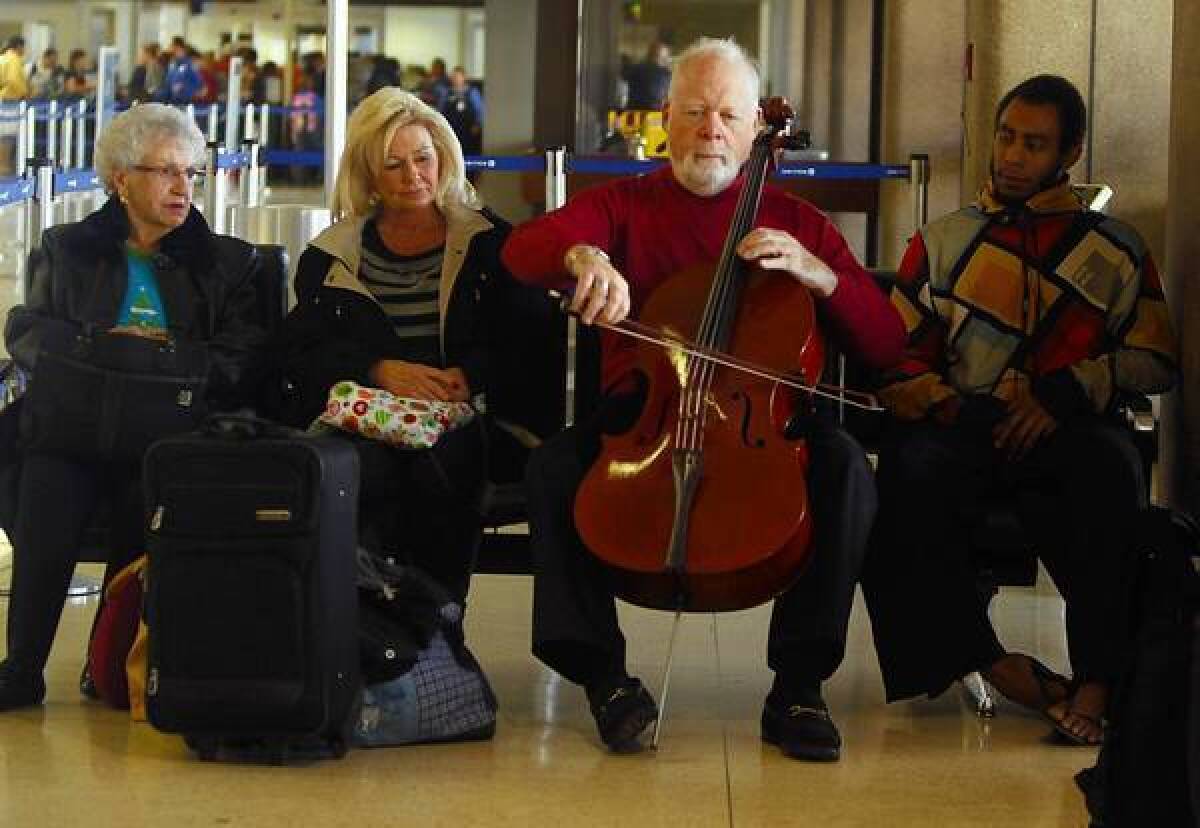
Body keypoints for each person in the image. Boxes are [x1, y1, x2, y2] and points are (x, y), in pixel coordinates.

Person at [500, 38, 905, 759]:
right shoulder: (624, 206)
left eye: (727, 114)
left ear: (755, 129)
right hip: (646, 407)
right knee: (552, 470)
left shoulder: (801, 224)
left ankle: (799, 688)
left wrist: (819, 274)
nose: (710, 129)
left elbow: (884, 347)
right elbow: (523, 250)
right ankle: (604, 680)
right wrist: (584, 255)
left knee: (846, 472)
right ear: (665, 119)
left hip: (765, 418)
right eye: (693, 111)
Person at [860, 75, 1178, 746]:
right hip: (962, 430)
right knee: (902, 477)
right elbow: (896, 362)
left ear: (1070, 152)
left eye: (1034, 145)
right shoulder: (941, 241)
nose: (1012, 157)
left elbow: (1157, 360)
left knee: (1111, 471)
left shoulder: (1116, 249)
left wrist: (1075, 386)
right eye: (1006, 137)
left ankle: (1097, 679)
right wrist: (950, 406)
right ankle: (989, 661)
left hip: (1069, 429)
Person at [0, 103, 266, 711]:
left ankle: (113, 663)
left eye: (192, 173)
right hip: (75, 426)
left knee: (144, 496)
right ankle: (21, 668)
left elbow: (240, 358)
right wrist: (107, 347)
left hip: (168, 432)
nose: (183, 186)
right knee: (47, 485)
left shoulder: (227, 263)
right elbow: (27, 330)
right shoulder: (67, 248)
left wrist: (159, 359)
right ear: (121, 179)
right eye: (165, 171)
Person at [274, 88, 511, 605]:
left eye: (423, 159)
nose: (413, 177)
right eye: (394, 165)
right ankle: (364, 624)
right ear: (370, 176)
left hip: (464, 417)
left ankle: (434, 624)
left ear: (443, 158)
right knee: (358, 471)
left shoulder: (487, 242)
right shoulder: (332, 255)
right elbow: (303, 351)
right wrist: (377, 369)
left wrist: (470, 376)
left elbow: (516, 337)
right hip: (369, 415)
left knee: (440, 467)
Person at [0, 36, 29, 177]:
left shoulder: (3, 58)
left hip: (3, 100)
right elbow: (13, 80)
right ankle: (3, 166)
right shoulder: (14, 60)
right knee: (7, 136)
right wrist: (24, 93)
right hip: (9, 101)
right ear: (18, 47)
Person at [441, 66, 483, 158]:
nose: (454, 79)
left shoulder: (472, 92)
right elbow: (441, 111)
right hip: (452, 130)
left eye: (457, 76)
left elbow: (480, 110)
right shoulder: (447, 92)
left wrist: (477, 124)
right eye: (453, 77)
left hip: (468, 131)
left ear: (464, 77)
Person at [623, 41, 672, 110]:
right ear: (662, 57)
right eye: (667, 57)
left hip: (632, 113)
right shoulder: (666, 74)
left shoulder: (634, 69)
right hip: (654, 116)